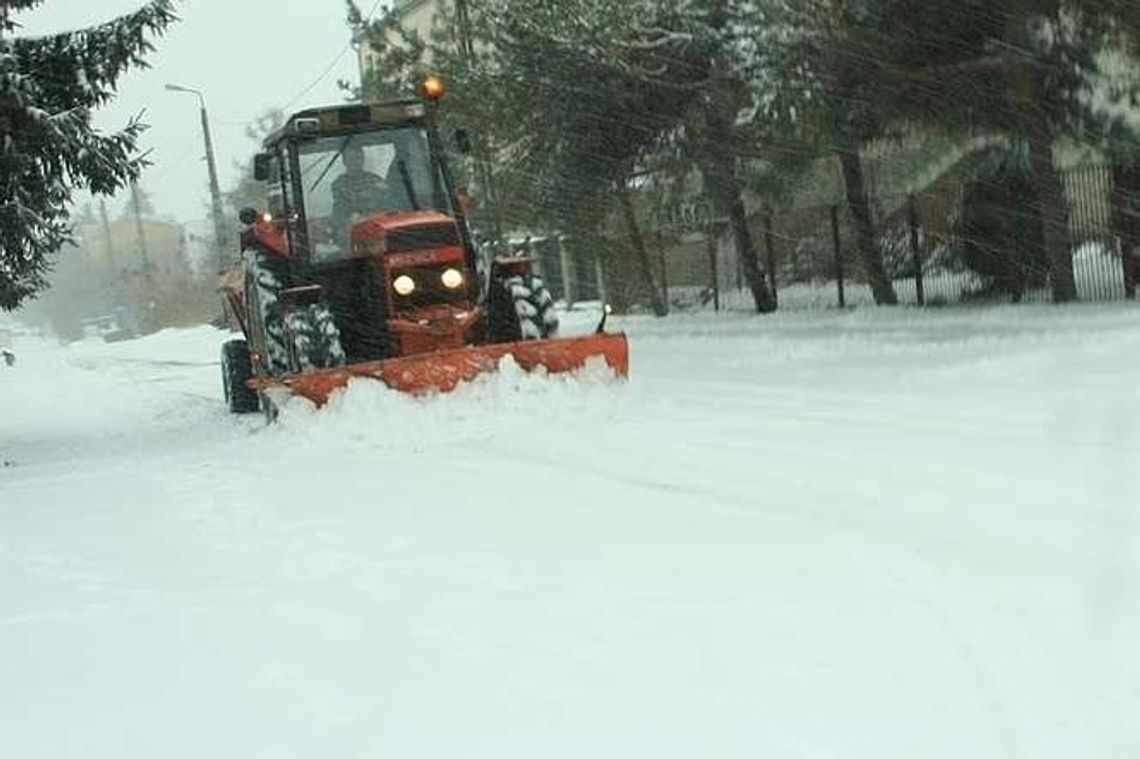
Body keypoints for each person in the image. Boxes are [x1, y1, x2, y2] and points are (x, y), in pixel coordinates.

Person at [331, 143, 387, 244]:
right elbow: (348, 201)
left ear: (363, 159)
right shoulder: (339, 184)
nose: (356, 162)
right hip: (350, 229)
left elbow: (386, 196)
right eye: (352, 159)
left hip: (376, 225)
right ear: (344, 162)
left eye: (359, 158)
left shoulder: (374, 179)